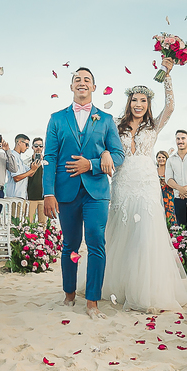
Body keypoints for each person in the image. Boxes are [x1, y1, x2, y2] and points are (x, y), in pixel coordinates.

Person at [98, 63, 187, 311]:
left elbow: (170, 106)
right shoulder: (115, 123)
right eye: (134, 100)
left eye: (143, 101)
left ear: (148, 104)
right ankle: (119, 286)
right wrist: (106, 152)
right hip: (122, 180)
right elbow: (103, 143)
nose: (138, 104)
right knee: (122, 230)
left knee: (146, 231)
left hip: (147, 182)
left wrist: (167, 76)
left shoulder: (154, 126)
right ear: (128, 102)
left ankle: (146, 289)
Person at [43, 67, 125, 319]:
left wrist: (92, 164)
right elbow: (50, 157)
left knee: (96, 242)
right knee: (70, 244)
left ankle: (92, 301)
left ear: (93, 87)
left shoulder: (106, 120)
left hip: (96, 191)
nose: (82, 82)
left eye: (87, 79)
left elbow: (118, 155)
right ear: (71, 86)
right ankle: (69, 294)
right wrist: (48, 193)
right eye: (77, 79)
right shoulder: (57, 119)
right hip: (65, 191)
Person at [26, 137, 46, 222]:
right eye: (36, 146)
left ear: (43, 147)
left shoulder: (46, 162)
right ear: (32, 147)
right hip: (30, 197)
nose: (38, 148)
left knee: (43, 223)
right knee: (29, 223)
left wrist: (42, 161)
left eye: (40, 146)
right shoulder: (26, 162)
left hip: (44, 197)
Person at [6, 134, 31, 198]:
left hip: (21, 196)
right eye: (26, 144)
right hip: (15, 197)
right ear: (19, 142)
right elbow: (16, 178)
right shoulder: (12, 156)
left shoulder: (20, 159)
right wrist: (32, 170)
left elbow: (30, 173)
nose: (27, 147)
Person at [156, 150, 177, 225]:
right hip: (158, 195)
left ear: (166, 158)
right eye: (159, 157)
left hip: (169, 195)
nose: (161, 159)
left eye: (163, 157)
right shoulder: (154, 171)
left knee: (170, 212)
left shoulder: (170, 170)